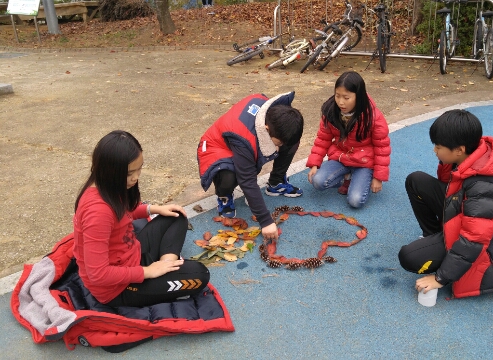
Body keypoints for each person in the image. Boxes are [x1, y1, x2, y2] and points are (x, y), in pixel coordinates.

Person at [398, 109, 493, 299]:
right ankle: (434, 236)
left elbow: (474, 240)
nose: (434, 150)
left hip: (488, 248)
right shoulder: (467, 158)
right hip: (465, 216)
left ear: (459, 150)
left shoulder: (485, 186)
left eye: (438, 147)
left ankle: (442, 252)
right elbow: (449, 187)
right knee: (416, 180)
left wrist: (440, 278)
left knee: (409, 258)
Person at [73, 130, 210, 308]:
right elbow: (98, 274)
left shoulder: (106, 187)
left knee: (177, 216)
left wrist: (152, 209)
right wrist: (148, 272)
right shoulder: (98, 213)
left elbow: (124, 212)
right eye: (130, 173)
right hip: (118, 288)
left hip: (130, 253)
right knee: (200, 275)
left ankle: (167, 264)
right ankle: (164, 271)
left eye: (139, 169)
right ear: (110, 171)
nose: (136, 177)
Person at [197, 92, 304, 241]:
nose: (279, 147)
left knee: (290, 142)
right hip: (217, 147)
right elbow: (247, 180)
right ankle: (224, 196)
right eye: (278, 143)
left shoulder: (276, 114)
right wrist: (265, 221)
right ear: (266, 129)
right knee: (229, 176)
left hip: (245, 139)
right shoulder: (243, 139)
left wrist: (280, 145)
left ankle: (276, 182)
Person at [306, 71, 391, 208]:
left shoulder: (373, 117)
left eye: (346, 97)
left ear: (359, 96)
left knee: (355, 201)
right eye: (337, 96)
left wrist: (378, 177)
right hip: (341, 157)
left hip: (364, 162)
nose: (340, 102)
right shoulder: (330, 111)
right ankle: (345, 178)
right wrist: (315, 164)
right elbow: (323, 139)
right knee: (317, 181)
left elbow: (382, 148)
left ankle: (358, 179)